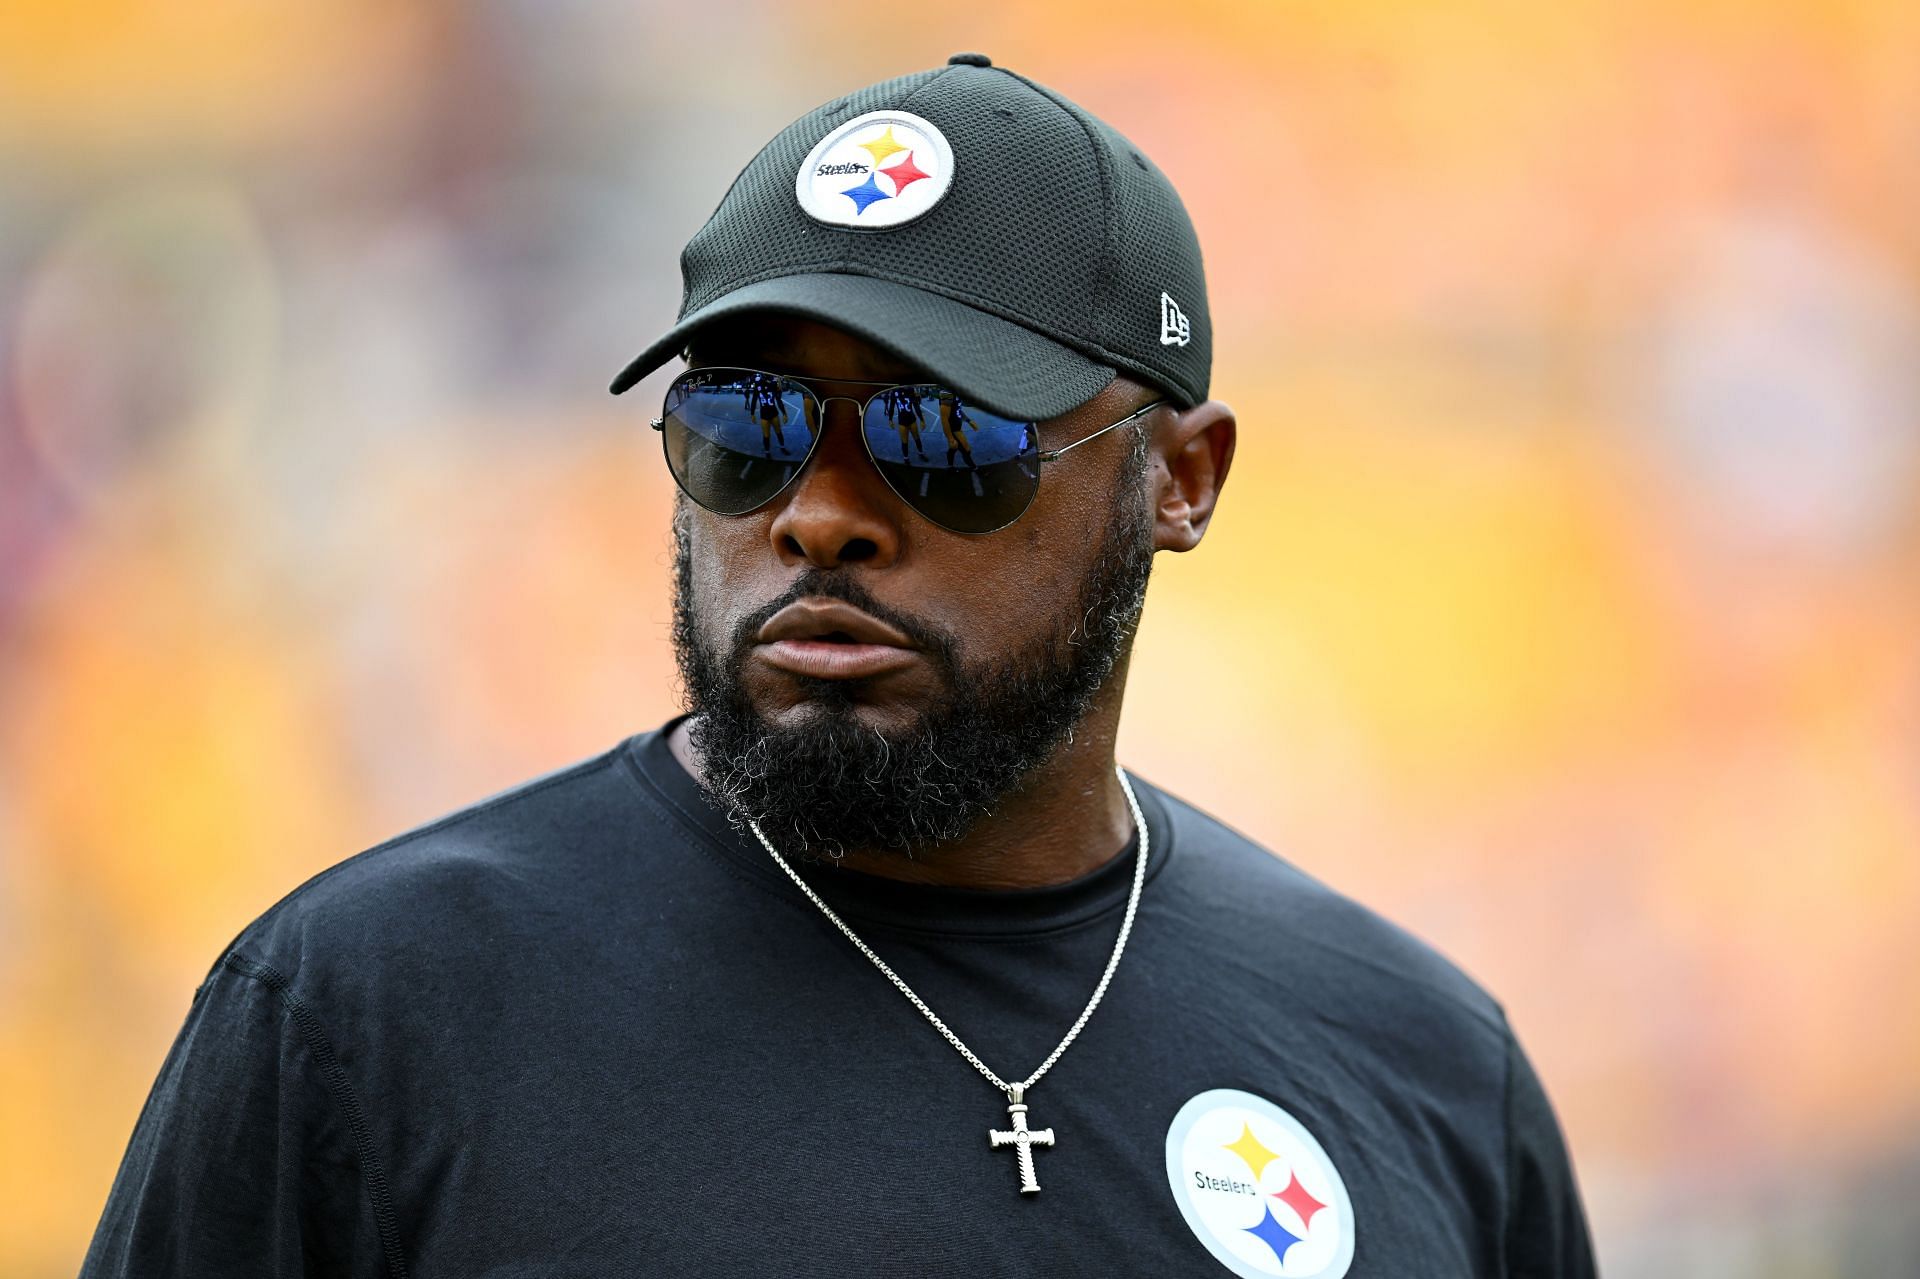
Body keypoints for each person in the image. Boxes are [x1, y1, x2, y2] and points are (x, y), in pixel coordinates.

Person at [79, 54, 1596, 1278]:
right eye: (749, 424)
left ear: (1180, 479)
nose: (818, 515)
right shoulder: (365, 1014)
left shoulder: (1424, 1068)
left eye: (946, 435)